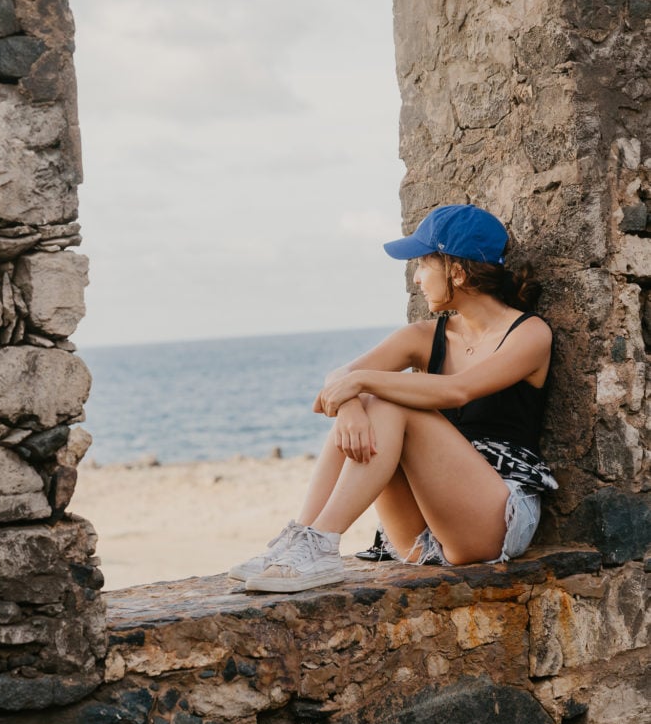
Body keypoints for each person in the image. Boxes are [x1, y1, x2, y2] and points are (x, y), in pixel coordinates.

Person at [230, 203, 557, 593]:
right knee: (375, 399)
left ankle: (319, 543)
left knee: (388, 399)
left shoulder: (530, 334)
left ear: (457, 271)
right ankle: (304, 539)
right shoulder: (424, 336)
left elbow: (459, 390)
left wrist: (363, 385)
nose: (417, 278)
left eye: (422, 264)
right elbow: (334, 383)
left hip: (496, 519)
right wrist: (352, 404)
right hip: (420, 533)